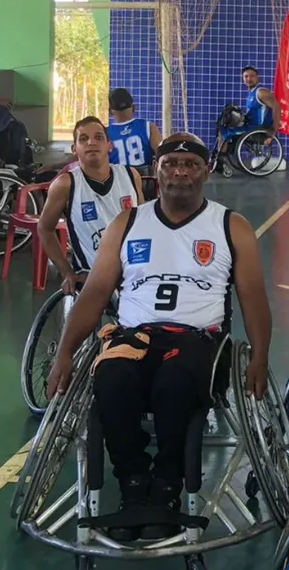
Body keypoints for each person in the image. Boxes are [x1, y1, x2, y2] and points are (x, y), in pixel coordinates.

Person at [46, 133, 272, 542]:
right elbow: (95, 294)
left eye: (190, 164)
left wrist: (259, 358)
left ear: (205, 172)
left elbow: (254, 299)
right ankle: (133, 483)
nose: (180, 172)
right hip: (134, 337)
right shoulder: (128, 222)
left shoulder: (229, 225)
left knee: (175, 384)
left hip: (199, 342)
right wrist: (64, 353)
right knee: (111, 379)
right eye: (171, 164)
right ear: (157, 172)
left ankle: (167, 483)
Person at [36, 116, 143, 297]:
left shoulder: (131, 176)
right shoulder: (65, 184)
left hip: (133, 272)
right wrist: (67, 272)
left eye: (99, 137)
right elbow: (44, 229)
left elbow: (143, 224)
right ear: (74, 149)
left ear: (109, 145)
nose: (91, 142)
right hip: (90, 276)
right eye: (83, 139)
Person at [106, 88, 161, 173]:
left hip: (117, 182)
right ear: (133, 107)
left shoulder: (104, 133)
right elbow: (162, 154)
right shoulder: (148, 127)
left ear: (110, 111)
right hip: (145, 181)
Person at [241, 65, 281, 133]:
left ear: (257, 77)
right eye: (246, 76)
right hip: (249, 127)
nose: (249, 79)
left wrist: (274, 129)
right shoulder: (251, 93)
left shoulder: (261, 92)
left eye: (252, 76)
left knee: (225, 132)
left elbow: (276, 107)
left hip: (258, 130)